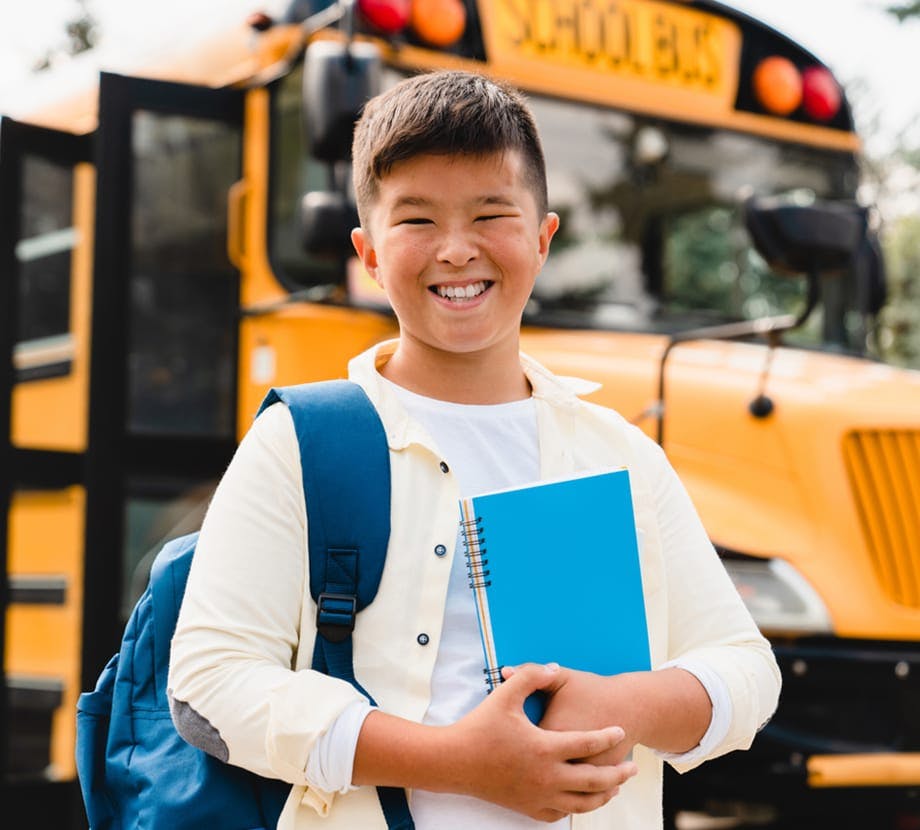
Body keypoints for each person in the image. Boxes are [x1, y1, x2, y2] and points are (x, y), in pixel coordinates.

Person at [168, 70, 781, 829]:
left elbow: (748, 671)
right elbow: (210, 680)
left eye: (492, 214)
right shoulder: (301, 442)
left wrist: (618, 703)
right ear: (366, 253)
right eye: (416, 221)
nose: (456, 251)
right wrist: (458, 761)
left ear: (543, 237)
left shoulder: (621, 455)